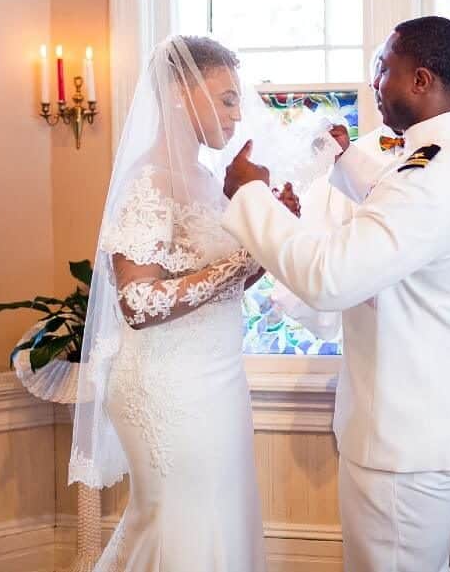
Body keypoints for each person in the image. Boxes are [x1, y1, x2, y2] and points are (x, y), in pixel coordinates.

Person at [222, 15, 450, 572]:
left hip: (405, 433)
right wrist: (346, 158)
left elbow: (332, 277)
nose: (374, 81)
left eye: (383, 68)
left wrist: (250, 197)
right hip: (431, 418)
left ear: (420, 80)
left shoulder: (431, 174)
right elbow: (397, 210)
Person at [68, 35, 320, 572]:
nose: (238, 113)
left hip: (218, 379)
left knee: (218, 521)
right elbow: (138, 301)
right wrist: (244, 256)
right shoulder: (147, 180)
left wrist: (268, 240)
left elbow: (217, 288)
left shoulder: (209, 181)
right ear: (181, 93)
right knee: (179, 524)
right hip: (167, 385)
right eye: (227, 98)